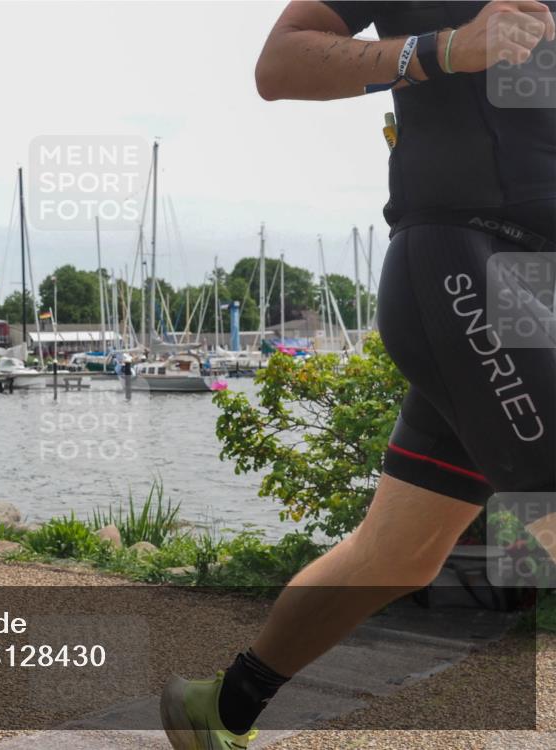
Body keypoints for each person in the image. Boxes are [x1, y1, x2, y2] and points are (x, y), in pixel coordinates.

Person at [160, 2, 556, 747]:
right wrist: (444, 49)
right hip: (464, 263)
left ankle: (221, 708)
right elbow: (279, 65)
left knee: (398, 552)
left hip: (539, 294)